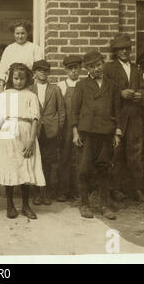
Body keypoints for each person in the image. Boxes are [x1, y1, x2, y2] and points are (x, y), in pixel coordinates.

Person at [0, 63, 45, 219]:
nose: (19, 81)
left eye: (22, 78)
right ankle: (10, 205)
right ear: (11, 78)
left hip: (26, 133)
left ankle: (26, 205)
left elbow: (35, 119)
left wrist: (31, 141)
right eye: (16, 78)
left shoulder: (31, 96)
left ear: (27, 79)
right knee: (10, 168)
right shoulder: (5, 95)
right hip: (8, 134)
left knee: (26, 168)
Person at [71, 51, 122, 220]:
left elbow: (117, 110)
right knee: (84, 169)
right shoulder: (82, 86)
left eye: (98, 65)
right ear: (87, 68)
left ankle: (104, 205)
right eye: (92, 66)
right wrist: (75, 132)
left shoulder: (112, 85)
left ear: (103, 63)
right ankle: (84, 204)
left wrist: (117, 132)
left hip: (106, 133)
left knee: (104, 169)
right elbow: (74, 111)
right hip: (87, 133)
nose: (96, 69)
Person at [104, 34, 144, 203]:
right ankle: (114, 189)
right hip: (118, 117)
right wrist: (121, 93)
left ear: (130, 50)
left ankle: (136, 189)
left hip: (135, 117)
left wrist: (140, 94)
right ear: (115, 51)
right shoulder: (109, 68)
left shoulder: (137, 68)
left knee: (135, 153)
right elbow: (106, 90)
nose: (123, 51)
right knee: (116, 153)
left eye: (126, 48)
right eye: (119, 49)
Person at [30, 60, 65, 205]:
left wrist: (59, 127)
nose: (42, 73)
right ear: (35, 72)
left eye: (45, 70)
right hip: (35, 130)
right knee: (34, 162)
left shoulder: (55, 89)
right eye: (39, 70)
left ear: (49, 72)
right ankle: (36, 193)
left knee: (48, 163)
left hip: (51, 131)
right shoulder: (30, 89)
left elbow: (61, 110)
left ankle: (47, 193)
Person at [56, 55, 82, 202]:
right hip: (66, 126)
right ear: (66, 70)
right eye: (70, 69)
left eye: (76, 68)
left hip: (80, 125)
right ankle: (63, 190)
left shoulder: (83, 84)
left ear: (80, 68)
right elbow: (59, 108)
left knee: (79, 158)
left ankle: (78, 191)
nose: (73, 71)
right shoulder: (61, 85)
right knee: (64, 158)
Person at [0, 20, 43, 92]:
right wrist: (1, 87)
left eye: (23, 33)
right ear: (14, 34)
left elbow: (39, 69)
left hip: (29, 85)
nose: (20, 36)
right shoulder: (9, 49)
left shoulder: (34, 48)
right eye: (17, 33)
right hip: (11, 85)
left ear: (27, 33)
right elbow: (2, 69)